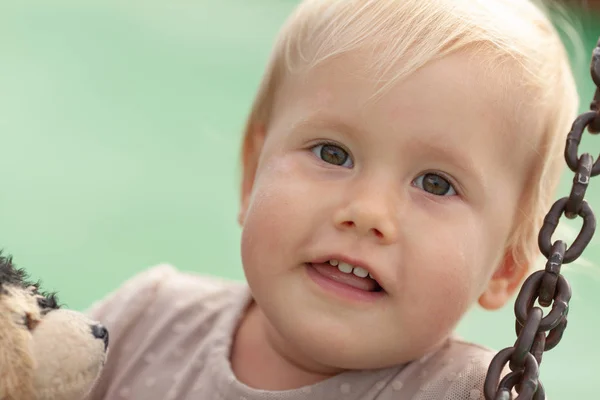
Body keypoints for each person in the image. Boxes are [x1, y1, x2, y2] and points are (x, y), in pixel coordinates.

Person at [85, 0, 580, 398]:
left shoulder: (464, 393)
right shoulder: (144, 321)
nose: (367, 212)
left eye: (435, 183)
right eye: (332, 153)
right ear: (252, 174)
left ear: (506, 267)